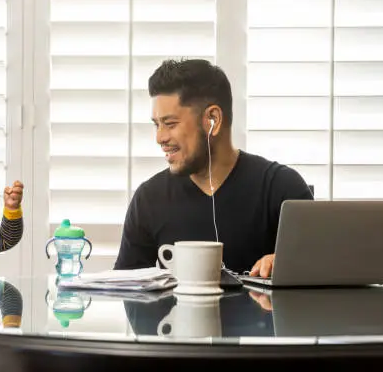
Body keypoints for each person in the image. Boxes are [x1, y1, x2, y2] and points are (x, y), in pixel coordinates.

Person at [113, 59, 313, 277]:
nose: (160, 137)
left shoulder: (282, 189)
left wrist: (289, 264)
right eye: (156, 125)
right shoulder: (148, 199)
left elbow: (320, 273)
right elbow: (126, 291)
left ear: (213, 119)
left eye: (170, 124)